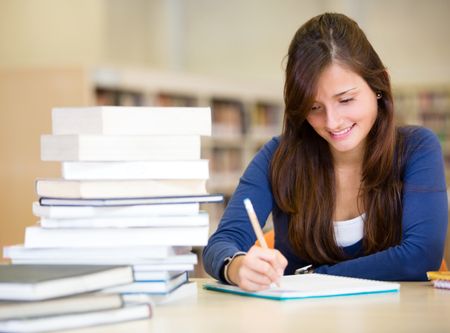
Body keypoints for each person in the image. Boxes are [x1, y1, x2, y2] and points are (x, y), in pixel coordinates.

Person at [202, 12, 448, 291]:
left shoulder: (416, 148)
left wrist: (315, 276)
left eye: (345, 100)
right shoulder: (278, 157)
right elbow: (221, 244)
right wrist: (236, 266)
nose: (332, 122)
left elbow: (419, 257)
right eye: (314, 107)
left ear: (378, 86)